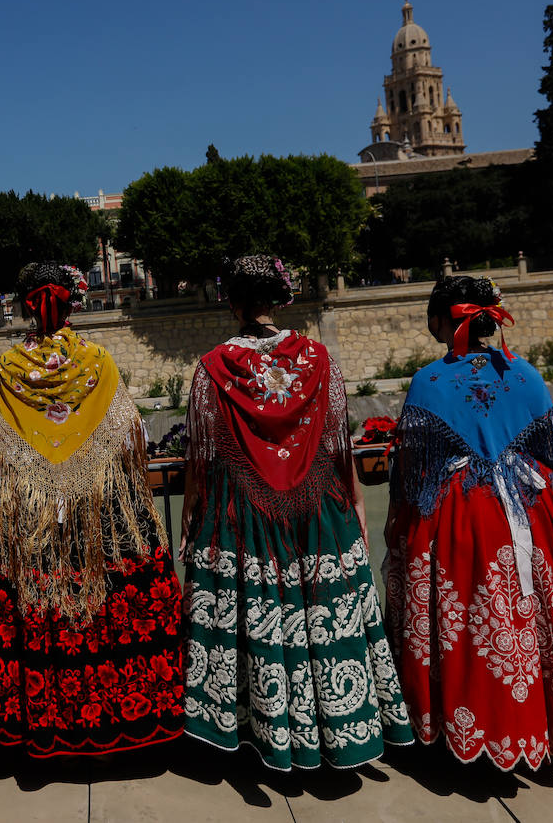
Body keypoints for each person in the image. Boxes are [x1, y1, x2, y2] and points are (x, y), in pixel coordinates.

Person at [386, 276, 553, 769]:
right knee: (541, 611)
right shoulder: (524, 374)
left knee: (471, 617)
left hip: (461, 511)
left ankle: (472, 725)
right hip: (534, 505)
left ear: (443, 321)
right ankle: (552, 723)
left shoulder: (429, 381)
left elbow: (415, 468)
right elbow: (545, 451)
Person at [180, 255, 412, 770]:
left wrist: (192, 511)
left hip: (244, 510)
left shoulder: (211, 368)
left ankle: (264, 731)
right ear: (279, 299)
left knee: (255, 611)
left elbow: (205, 451)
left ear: (234, 304)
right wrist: (354, 503)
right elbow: (337, 440)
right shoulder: (319, 359)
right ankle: (338, 730)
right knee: (319, 614)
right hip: (315, 507)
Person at [0, 262, 185, 758]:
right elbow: (131, 441)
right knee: (106, 601)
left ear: (23, 305)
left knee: (44, 607)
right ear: (73, 301)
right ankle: (127, 718)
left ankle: (50, 722)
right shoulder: (97, 360)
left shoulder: (7, 370)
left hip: (30, 516)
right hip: (101, 508)